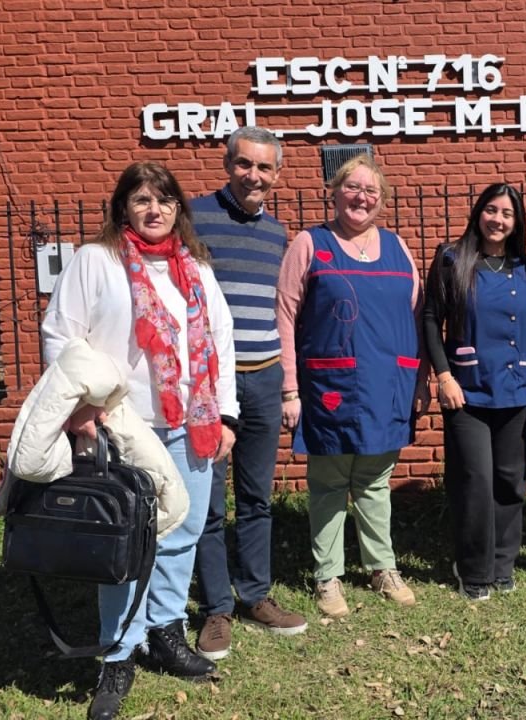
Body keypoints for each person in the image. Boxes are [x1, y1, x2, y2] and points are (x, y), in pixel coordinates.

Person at [41, 162, 240, 720]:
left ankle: (165, 630)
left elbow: (220, 340)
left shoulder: (194, 267)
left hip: (191, 422)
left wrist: (226, 415)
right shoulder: (95, 261)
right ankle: (118, 653)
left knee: (183, 530)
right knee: (125, 541)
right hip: (121, 423)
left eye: (165, 200)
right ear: (123, 207)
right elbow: (61, 335)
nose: (155, 210)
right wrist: (80, 408)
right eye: (142, 199)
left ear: (179, 209)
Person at [276, 154, 429, 617]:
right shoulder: (310, 243)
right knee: (328, 482)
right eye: (353, 187)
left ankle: (382, 567)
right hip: (331, 385)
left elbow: (417, 317)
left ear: (382, 200)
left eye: (371, 191)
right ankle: (328, 576)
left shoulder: (398, 246)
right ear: (335, 192)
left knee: (375, 481)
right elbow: (285, 315)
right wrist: (289, 389)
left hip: (388, 384)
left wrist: (419, 379)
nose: (361, 197)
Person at [190, 126, 306, 661]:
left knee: (257, 498)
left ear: (277, 174)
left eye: (264, 167)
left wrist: (287, 386)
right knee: (210, 503)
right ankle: (217, 607)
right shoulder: (193, 218)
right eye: (244, 164)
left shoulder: (278, 234)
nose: (253, 176)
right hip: (211, 385)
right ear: (227, 164)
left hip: (263, 379)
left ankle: (256, 595)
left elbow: (283, 312)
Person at [425, 183, 526, 601]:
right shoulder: (452, 259)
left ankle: (502, 564)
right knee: (475, 480)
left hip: (515, 388)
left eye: (507, 213)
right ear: (478, 213)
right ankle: (473, 568)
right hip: (466, 391)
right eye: (491, 210)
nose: (497, 220)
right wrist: (444, 376)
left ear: (516, 222)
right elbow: (431, 320)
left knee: (510, 481)